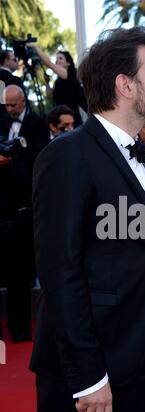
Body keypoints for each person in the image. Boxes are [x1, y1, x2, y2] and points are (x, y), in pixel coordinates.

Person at [29, 26, 145, 412]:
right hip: (86, 372)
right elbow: (59, 270)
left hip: (140, 359)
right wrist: (89, 376)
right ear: (125, 85)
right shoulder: (68, 154)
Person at [0, 85, 50, 342]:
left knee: (20, 273)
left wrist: (13, 159)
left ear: (23, 101)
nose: (9, 110)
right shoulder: (1, 121)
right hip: (2, 204)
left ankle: (20, 330)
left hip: (24, 206)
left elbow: (39, 157)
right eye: (6, 105)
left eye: (13, 105)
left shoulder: (38, 123)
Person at [27, 46, 87, 127]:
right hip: (59, 120)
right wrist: (47, 83)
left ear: (68, 63)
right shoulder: (58, 81)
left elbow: (49, 63)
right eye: (56, 59)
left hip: (71, 120)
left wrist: (36, 47)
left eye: (60, 58)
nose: (57, 60)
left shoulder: (71, 73)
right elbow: (50, 95)